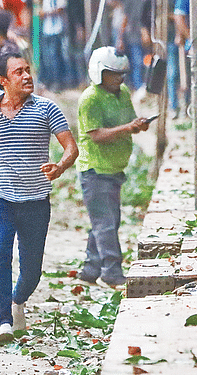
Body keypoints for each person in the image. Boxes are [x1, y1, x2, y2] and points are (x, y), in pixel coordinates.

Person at [0, 51, 78, 343]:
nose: (27, 76)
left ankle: (17, 300)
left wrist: (60, 166)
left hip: (36, 199)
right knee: (0, 254)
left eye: (27, 70)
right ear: (2, 81)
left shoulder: (47, 109)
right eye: (18, 72)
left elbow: (71, 147)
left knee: (32, 270)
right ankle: (4, 323)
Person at [76, 47, 149, 287]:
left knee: (105, 220)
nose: (119, 79)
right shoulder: (90, 99)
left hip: (115, 168)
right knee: (105, 223)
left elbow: (128, 121)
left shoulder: (123, 92)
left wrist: (137, 125)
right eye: (113, 74)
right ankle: (111, 271)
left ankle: (90, 268)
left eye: (122, 75)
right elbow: (96, 135)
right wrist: (128, 128)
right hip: (95, 170)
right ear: (99, 73)